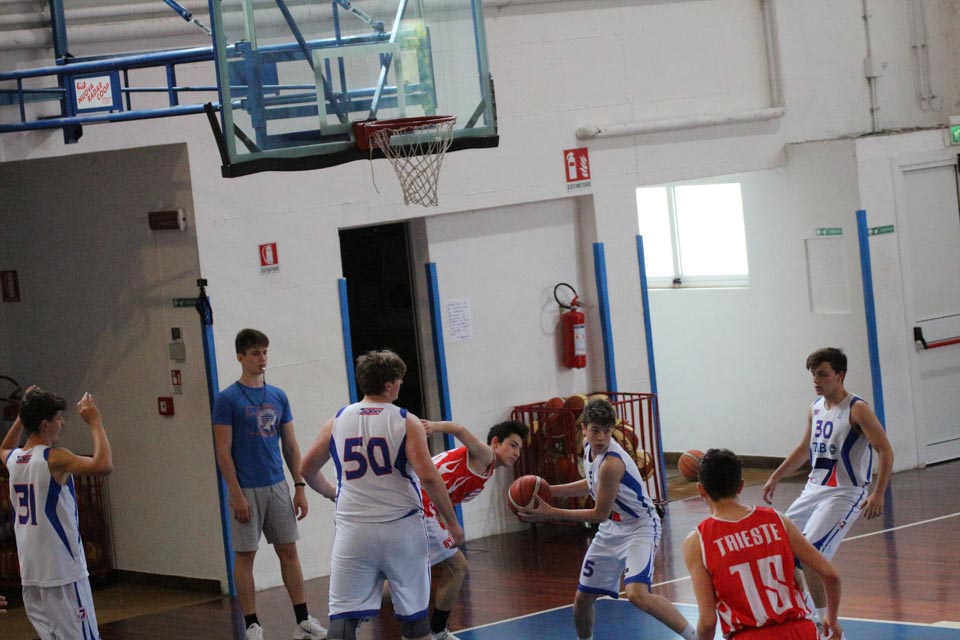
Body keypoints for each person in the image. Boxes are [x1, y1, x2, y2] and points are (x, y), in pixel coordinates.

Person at [300, 349, 464, 640]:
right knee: (414, 619)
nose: (401, 384)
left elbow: (307, 468)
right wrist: (452, 522)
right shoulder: (405, 420)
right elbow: (428, 476)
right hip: (401, 529)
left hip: (354, 531)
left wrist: (332, 493)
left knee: (343, 622)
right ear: (389, 384)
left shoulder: (338, 420)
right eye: (399, 380)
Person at [519, 398, 698, 640]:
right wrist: (549, 490)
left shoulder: (612, 463)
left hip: (640, 527)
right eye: (595, 430)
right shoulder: (589, 449)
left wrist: (550, 511)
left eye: (606, 431)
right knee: (582, 600)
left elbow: (598, 514)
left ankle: (696, 637)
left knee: (637, 594)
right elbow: (591, 483)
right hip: (612, 527)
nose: (601, 437)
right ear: (584, 429)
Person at [762, 347, 893, 628]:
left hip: (844, 492)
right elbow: (804, 449)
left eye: (822, 374)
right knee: (780, 546)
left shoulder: (857, 409)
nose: (816, 380)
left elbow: (885, 451)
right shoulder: (815, 408)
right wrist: (776, 476)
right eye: (813, 374)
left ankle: (825, 626)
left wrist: (878, 493)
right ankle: (804, 612)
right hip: (813, 489)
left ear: (839, 375)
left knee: (810, 554)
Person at [213, 328, 329, 640]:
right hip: (246, 488)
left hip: (277, 484)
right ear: (240, 357)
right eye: (255, 353)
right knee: (245, 555)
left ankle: (302, 619)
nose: (262, 359)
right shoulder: (227, 399)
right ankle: (251, 623)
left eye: (264, 352)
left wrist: (299, 486)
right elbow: (223, 450)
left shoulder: (278, 396)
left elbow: (290, 445)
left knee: (288, 550)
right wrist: (235, 493)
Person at [683, 448, 842, 640]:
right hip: (801, 631)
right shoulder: (777, 519)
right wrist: (831, 618)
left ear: (701, 490)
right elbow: (830, 574)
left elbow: (708, 622)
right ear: (740, 486)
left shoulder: (697, 541)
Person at [1, 387, 112, 639]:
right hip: (62, 573)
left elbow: (4, 448)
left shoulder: (15, 458)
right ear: (45, 425)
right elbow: (104, 465)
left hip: (31, 576)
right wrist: (95, 423)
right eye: (59, 418)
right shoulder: (54, 458)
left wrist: (21, 416)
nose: (62, 423)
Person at [419, 419, 528, 640]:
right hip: (421, 504)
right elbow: (459, 429)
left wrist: (444, 521)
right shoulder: (486, 455)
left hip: (421, 506)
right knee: (456, 567)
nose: (517, 453)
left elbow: (445, 492)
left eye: (519, 448)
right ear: (495, 443)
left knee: (410, 575)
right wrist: (433, 426)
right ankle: (437, 631)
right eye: (513, 445)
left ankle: (355, 605)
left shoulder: (486, 468)